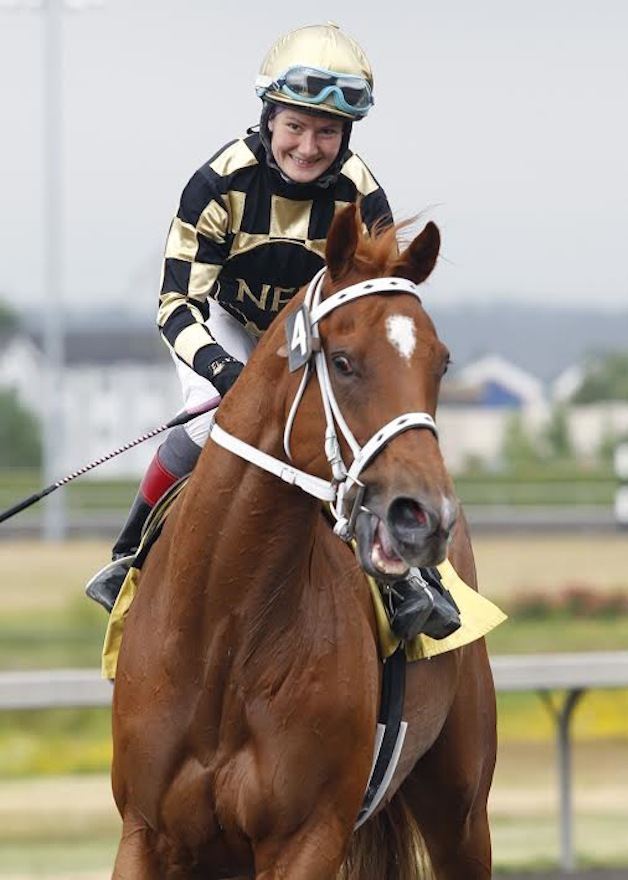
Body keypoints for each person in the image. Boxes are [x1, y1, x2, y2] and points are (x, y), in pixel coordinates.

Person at [85, 22, 460, 642]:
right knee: (206, 423)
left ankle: (412, 579)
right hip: (228, 326)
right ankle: (130, 555)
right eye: (295, 126)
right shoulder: (217, 184)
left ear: (345, 134)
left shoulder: (362, 193)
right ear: (268, 117)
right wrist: (226, 373)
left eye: (327, 131)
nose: (308, 147)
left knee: (352, 431)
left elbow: (382, 301)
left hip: (317, 337)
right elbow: (178, 302)